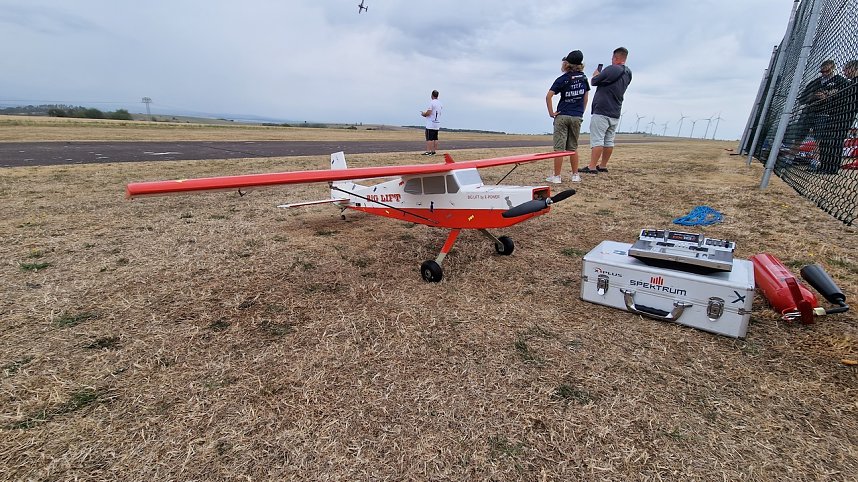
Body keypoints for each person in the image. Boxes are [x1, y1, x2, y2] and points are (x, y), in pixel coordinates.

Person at [579, 47, 632, 174]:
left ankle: (592, 166)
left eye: (613, 58)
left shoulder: (612, 69)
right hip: (616, 111)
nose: (612, 60)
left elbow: (594, 81)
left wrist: (597, 75)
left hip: (602, 110)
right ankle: (603, 165)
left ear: (616, 58)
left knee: (597, 139)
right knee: (609, 140)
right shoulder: (628, 73)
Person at [545, 50, 590, 183]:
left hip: (562, 115)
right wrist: (581, 112)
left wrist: (551, 112)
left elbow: (548, 96)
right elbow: (586, 97)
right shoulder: (584, 78)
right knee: (573, 147)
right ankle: (575, 175)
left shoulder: (563, 79)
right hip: (577, 116)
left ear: (567, 64)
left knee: (559, 148)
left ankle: (557, 176)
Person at [815, 60, 858, 174]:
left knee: (834, 141)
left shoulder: (854, 84)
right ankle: (825, 166)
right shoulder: (850, 83)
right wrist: (830, 96)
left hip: (844, 116)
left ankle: (831, 168)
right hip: (836, 114)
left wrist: (831, 95)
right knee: (827, 141)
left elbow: (848, 100)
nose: (844, 71)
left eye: (846, 69)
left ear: (854, 68)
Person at [794, 59, 849, 146]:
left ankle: (816, 158)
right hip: (809, 112)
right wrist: (813, 97)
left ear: (834, 69)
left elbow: (846, 100)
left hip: (826, 113)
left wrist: (828, 97)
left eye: (827, 71)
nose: (824, 74)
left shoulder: (841, 82)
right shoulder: (814, 83)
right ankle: (791, 157)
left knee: (819, 139)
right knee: (798, 137)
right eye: (822, 71)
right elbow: (802, 100)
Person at [421, 90, 442, 155]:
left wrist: (424, 114)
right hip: (437, 123)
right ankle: (433, 151)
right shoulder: (440, 103)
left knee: (429, 138)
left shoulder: (432, 103)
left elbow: (429, 112)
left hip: (431, 123)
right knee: (435, 138)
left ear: (432, 95)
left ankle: (428, 151)